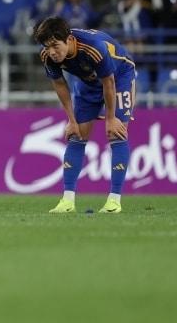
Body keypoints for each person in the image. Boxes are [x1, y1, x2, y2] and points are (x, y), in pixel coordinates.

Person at [33, 17, 137, 215]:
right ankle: (67, 201)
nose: (52, 52)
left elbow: (109, 82)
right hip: (87, 82)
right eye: (47, 47)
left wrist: (111, 118)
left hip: (119, 76)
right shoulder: (47, 56)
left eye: (56, 45)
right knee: (76, 134)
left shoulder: (94, 48)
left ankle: (114, 201)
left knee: (117, 133)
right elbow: (60, 84)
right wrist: (71, 121)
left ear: (69, 40)